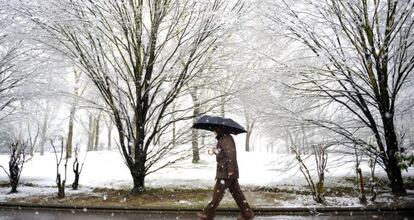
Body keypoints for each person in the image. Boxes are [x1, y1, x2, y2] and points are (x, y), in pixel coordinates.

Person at [197, 127, 254, 220]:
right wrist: (215, 151)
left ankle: (208, 213)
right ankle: (247, 213)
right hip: (226, 171)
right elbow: (223, 153)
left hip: (226, 172)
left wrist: (231, 170)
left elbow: (231, 154)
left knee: (218, 193)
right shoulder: (223, 139)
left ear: (219, 130)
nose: (213, 132)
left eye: (214, 130)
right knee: (237, 194)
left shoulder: (226, 139)